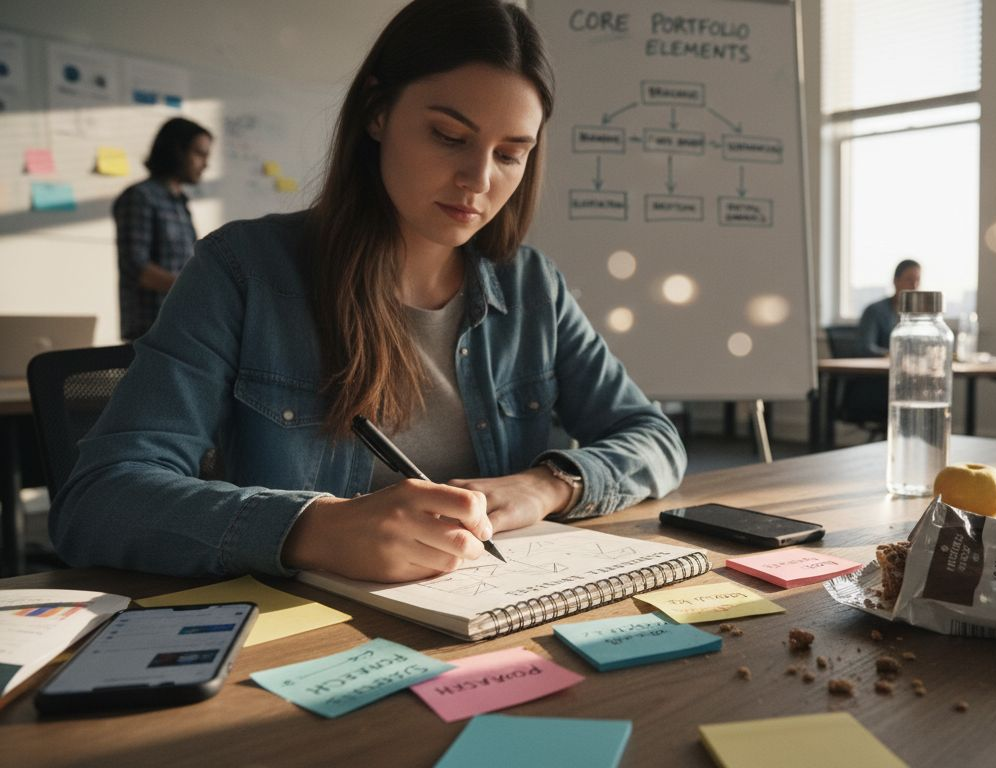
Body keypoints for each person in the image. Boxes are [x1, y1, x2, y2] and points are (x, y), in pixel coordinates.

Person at [52, 0, 685, 583]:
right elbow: (100, 498)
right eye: (448, 136)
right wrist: (313, 528)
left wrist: (549, 485)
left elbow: (653, 437)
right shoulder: (244, 271)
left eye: (511, 154)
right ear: (378, 113)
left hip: (491, 629)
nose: (478, 179)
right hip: (303, 652)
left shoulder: (531, 287)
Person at [113, 117, 213, 341]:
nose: (205, 164)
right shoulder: (140, 197)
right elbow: (136, 266)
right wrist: (196, 291)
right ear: (176, 151)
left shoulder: (181, 202)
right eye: (200, 154)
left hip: (181, 327)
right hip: (149, 331)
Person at [857, 259, 921, 356]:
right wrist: (894, 355)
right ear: (896, 281)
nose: (914, 286)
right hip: (879, 368)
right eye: (909, 280)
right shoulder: (874, 311)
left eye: (917, 280)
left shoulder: (920, 315)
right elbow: (866, 348)